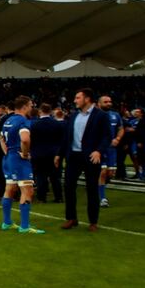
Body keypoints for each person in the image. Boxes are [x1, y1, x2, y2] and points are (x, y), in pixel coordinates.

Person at [60, 88, 111, 232]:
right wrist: (60, 154)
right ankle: (71, 218)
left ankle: (93, 221)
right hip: (74, 156)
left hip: (90, 157)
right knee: (69, 186)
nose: (75, 101)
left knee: (91, 189)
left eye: (78, 98)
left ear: (87, 99)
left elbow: (107, 136)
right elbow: (66, 137)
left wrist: (99, 151)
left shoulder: (100, 115)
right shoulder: (74, 116)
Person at [0, 96, 44, 234]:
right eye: (30, 105)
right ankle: (24, 226)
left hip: (8, 158)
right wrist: (25, 154)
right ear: (24, 106)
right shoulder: (23, 121)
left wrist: (6, 151)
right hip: (19, 159)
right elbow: (25, 140)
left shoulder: (8, 119)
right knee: (27, 190)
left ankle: (7, 222)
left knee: (10, 189)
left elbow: (1, 138)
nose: (32, 108)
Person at [29, 103, 64, 203]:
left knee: (41, 176)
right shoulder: (57, 124)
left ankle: (41, 197)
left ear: (40, 111)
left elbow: (31, 139)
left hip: (38, 154)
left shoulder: (34, 124)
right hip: (54, 154)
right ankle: (59, 197)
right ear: (50, 111)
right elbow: (62, 140)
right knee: (55, 177)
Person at [97, 95, 124, 208]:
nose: (108, 103)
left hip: (112, 149)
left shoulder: (115, 115)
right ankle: (102, 198)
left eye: (110, 101)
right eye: (105, 102)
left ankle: (99, 187)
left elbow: (121, 129)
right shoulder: (95, 116)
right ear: (99, 104)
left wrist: (118, 139)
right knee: (103, 172)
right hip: (100, 148)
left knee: (110, 173)